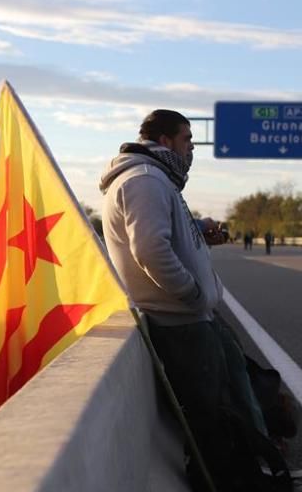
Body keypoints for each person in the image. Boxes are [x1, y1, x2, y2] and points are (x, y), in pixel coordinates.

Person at [99, 109, 269, 472]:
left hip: (191, 316)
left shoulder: (156, 178)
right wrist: (190, 294)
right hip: (179, 320)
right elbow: (150, 249)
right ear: (165, 141)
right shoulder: (144, 179)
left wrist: (197, 229)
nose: (192, 148)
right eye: (187, 139)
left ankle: (262, 464)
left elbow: (161, 234)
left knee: (236, 386)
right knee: (213, 412)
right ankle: (247, 485)